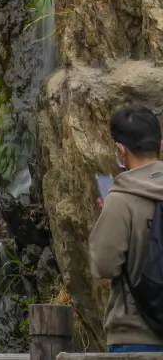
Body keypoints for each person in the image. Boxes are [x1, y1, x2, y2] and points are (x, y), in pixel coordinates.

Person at [89, 103, 163, 352]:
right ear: (161, 145)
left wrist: (110, 216)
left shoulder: (121, 199)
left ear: (121, 151)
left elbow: (104, 265)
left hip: (136, 338)